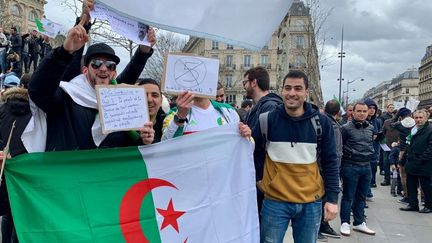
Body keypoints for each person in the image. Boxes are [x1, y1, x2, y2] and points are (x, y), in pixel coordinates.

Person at [28, 2, 157, 151]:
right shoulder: (66, 96)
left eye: (110, 65)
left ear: (114, 72)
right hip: (65, 172)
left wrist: (143, 51)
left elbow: (124, 148)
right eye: (96, 64)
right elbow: (39, 90)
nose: (103, 68)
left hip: (106, 173)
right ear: (85, 70)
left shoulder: (119, 103)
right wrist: (64, 52)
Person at [255, 71, 339, 243]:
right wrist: (259, 180)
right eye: (288, 88)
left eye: (298, 88)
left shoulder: (321, 123)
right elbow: (253, 153)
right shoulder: (267, 120)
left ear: (306, 92)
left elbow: (331, 162)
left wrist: (332, 199)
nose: (292, 93)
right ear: (282, 90)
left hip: (311, 203)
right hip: (275, 202)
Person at [243, 66, 283, 213]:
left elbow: (267, 143)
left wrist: (261, 176)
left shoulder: (270, 106)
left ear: (254, 82)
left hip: (264, 177)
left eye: (245, 82)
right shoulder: (258, 107)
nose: (244, 86)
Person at [339, 102, 376, 236]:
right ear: (352, 112)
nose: (362, 113)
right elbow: (339, 147)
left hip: (366, 166)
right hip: (350, 165)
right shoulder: (345, 128)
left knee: (362, 196)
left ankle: (359, 222)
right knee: (348, 196)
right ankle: (345, 222)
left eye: (364, 111)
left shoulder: (371, 127)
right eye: (359, 111)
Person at [162, 91, 250, 140]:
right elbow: (165, 148)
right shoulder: (173, 114)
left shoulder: (229, 111)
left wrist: (246, 134)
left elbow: (244, 145)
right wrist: (180, 117)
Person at [318, 99, 342, 240]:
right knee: (321, 199)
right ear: (338, 112)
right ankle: (319, 227)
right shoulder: (328, 124)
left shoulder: (333, 123)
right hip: (324, 168)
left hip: (330, 166)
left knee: (325, 198)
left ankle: (324, 225)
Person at [399, 109, 432, 213]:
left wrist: (421, 159)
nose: (418, 120)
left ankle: (429, 206)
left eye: (421, 117)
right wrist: (403, 159)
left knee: (426, 186)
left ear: (426, 118)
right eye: (416, 118)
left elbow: (431, 148)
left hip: (424, 163)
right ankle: (413, 204)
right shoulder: (414, 129)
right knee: (411, 185)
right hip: (412, 162)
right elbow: (409, 145)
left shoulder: (430, 129)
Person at [135, 78, 165, 143]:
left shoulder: (167, 126)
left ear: (161, 101)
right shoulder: (120, 133)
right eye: (144, 95)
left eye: (154, 95)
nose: (149, 100)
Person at [364, 98, 382, 190]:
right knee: (366, 172)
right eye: (369, 107)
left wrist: (379, 136)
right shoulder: (362, 121)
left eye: (374, 108)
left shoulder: (377, 121)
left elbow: (380, 134)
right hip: (364, 151)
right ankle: (367, 190)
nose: (372, 110)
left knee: (373, 169)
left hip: (375, 149)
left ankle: (372, 183)